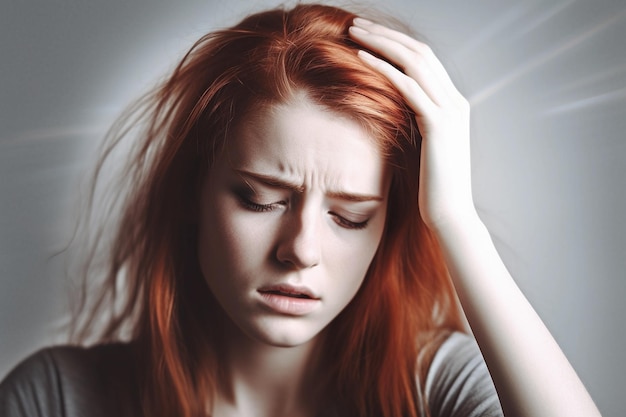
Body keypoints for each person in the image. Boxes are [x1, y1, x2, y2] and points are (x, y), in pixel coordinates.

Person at [0, 3, 601, 417]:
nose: (301, 251)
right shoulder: (56, 398)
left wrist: (455, 222)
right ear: (192, 192)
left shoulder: (431, 386)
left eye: (351, 217)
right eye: (260, 198)